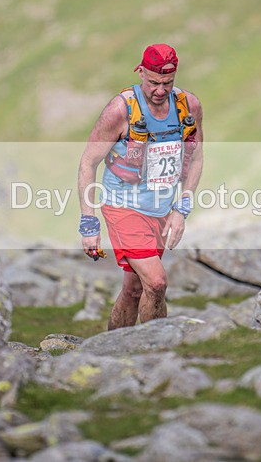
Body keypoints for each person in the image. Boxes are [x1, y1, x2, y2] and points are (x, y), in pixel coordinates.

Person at [77, 44, 204, 330]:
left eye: (167, 83)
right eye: (154, 83)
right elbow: (88, 162)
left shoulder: (189, 106)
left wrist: (181, 208)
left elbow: (196, 157)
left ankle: (113, 349)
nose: (160, 90)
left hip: (160, 209)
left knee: (135, 289)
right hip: (122, 206)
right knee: (157, 282)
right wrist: (89, 223)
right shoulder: (119, 110)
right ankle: (155, 351)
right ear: (142, 71)